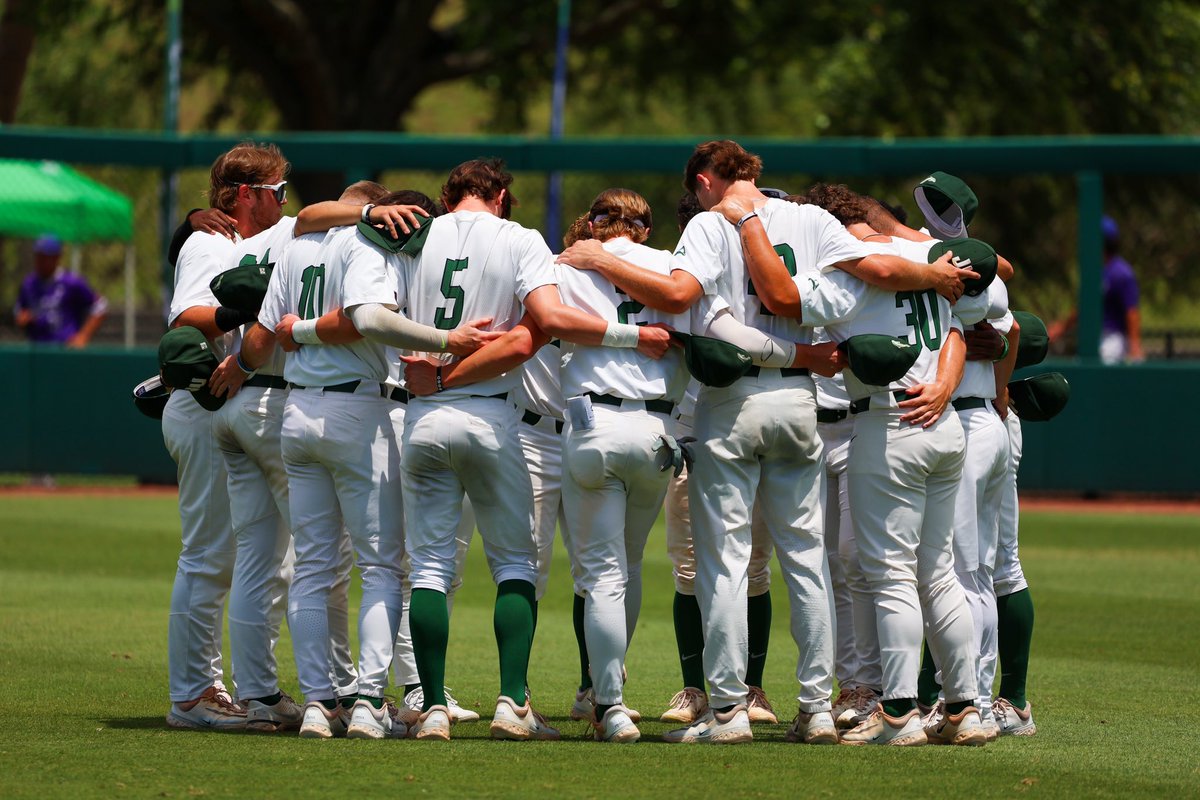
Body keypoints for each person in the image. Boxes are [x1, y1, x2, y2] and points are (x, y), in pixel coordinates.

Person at [557, 141, 964, 745]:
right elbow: (870, 275)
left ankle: (727, 711)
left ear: (703, 181)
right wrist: (933, 273)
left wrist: (597, 256)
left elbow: (696, 310)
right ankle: (817, 709)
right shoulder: (813, 218)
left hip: (734, 400)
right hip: (802, 401)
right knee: (805, 562)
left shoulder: (707, 222)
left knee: (724, 563)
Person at [391, 158, 670, 742]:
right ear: (500, 194)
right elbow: (533, 329)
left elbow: (371, 310)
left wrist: (432, 369)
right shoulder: (523, 241)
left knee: (431, 568)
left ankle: (431, 705)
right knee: (533, 568)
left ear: (447, 194)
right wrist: (631, 335)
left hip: (424, 413)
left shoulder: (415, 235)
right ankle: (514, 702)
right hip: (502, 418)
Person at [719, 184, 990, 746]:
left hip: (887, 422)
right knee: (937, 572)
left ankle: (898, 712)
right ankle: (965, 707)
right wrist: (944, 381)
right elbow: (965, 324)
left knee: (889, 574)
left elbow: (778, 298)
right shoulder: (930, 259)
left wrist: (749, 226)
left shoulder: (847, 275)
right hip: (942, 422)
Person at [162, 141, 290, 730]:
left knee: (244, 557)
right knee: (210, 556)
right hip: (201, 404)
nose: (283, 200)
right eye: (275, 191)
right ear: (245, 193)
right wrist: (243, 310)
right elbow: (187, 316)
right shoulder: (209, 242)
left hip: (227, 405)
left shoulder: (243, 240)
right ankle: (191, 694)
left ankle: (233, 689)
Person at [15, 236, 108, 346]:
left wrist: (83, 336)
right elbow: (19, 309)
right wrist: (22, 317)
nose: (40, 262)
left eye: (45, 258)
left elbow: (101, 305)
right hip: (37, 351)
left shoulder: (71, 282)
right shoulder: (29, 284)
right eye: (38, 257)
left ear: (56, 258)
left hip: (65, 351)